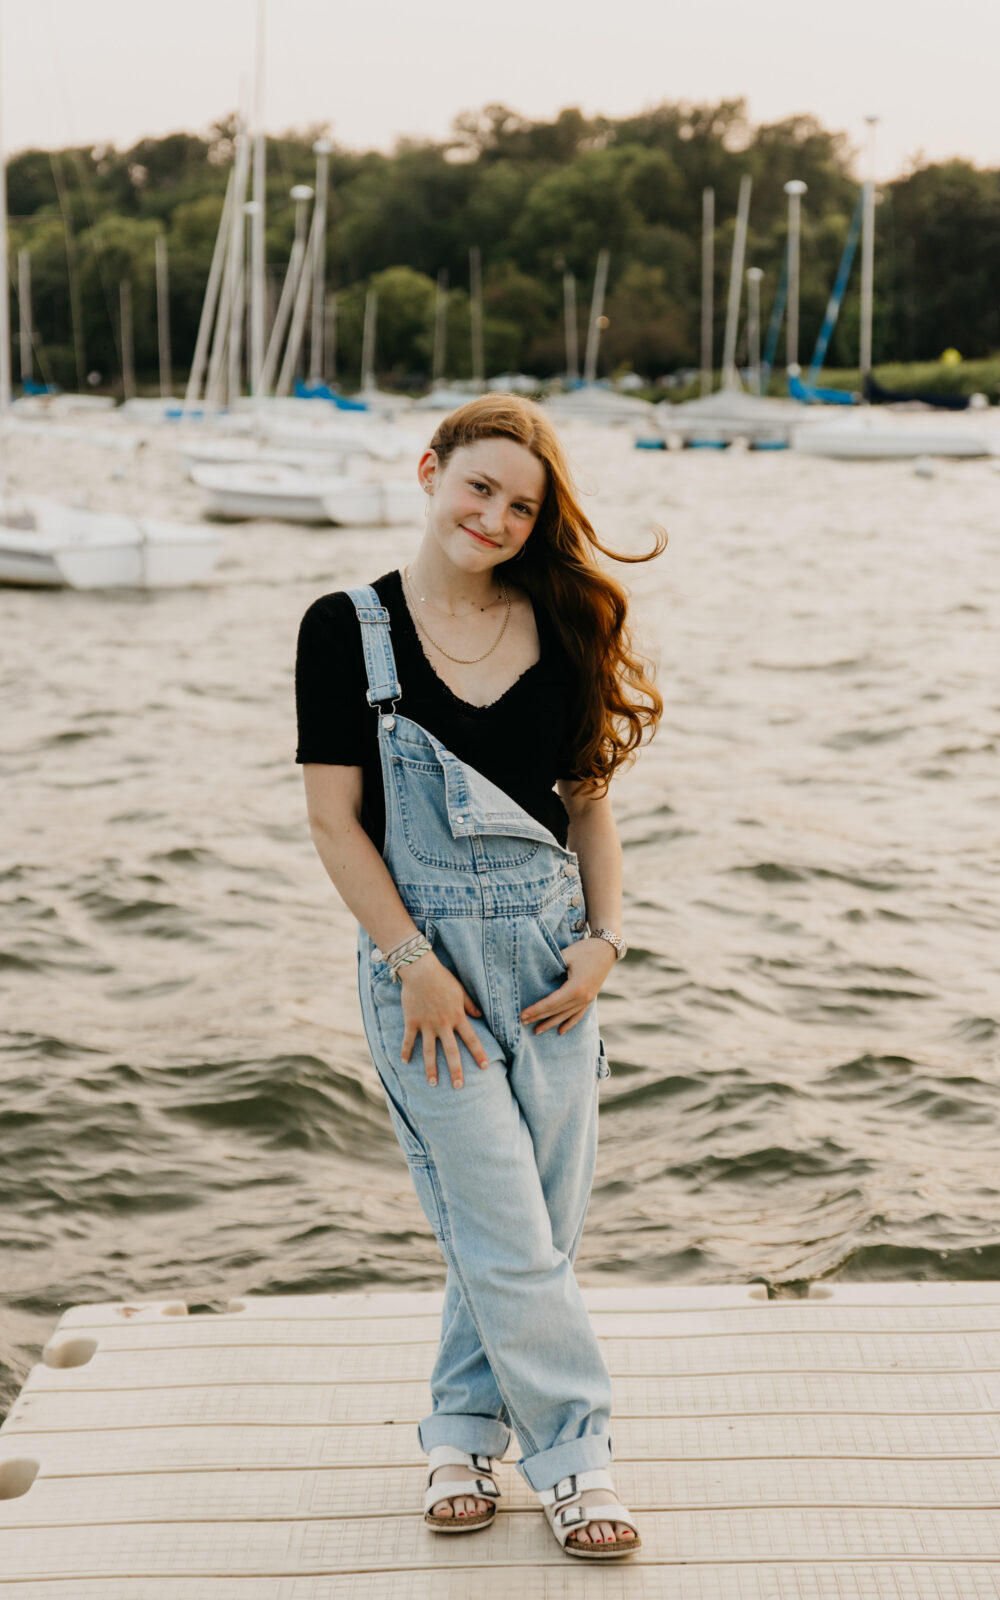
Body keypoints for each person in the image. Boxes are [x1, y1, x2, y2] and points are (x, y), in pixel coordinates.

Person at [294, 394, 664, 1559]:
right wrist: (412, 965)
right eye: (479, 487)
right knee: (505, 1225)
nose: (496, 516)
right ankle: (575, 1455)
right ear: (428, 472)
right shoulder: (344, 629)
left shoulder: (561, 624)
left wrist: (606, 940)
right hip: (425, 982)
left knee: (523, 1231)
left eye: (521, 504)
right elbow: (333, 821)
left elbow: (588, 806)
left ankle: (459, 1429)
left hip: (554, 968)